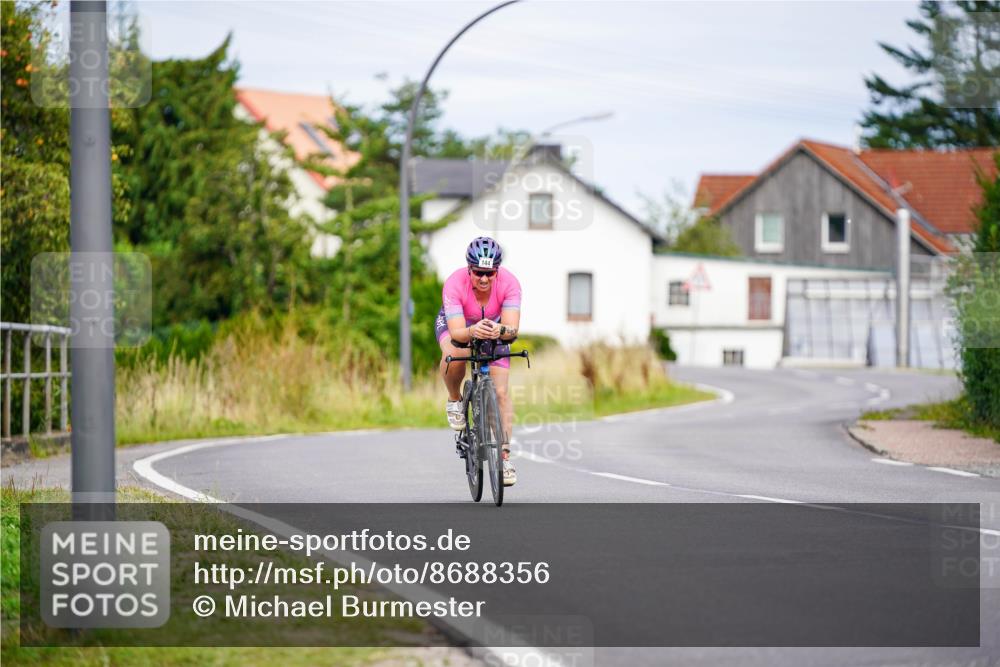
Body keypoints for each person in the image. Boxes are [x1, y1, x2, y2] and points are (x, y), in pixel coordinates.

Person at [435, 236, 521, 486]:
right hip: (460, 326)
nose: (484, 279)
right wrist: (473, 332)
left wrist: (499, 331)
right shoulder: (454, 283)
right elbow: (458, 333)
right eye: (478, 273)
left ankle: (504, 458)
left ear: (497, 271)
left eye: (490, 273)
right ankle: (454, 399)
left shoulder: (510, 284)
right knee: (457, 352)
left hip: (494, 328)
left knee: (502, 393)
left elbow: (512, 330)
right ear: (469, 269)